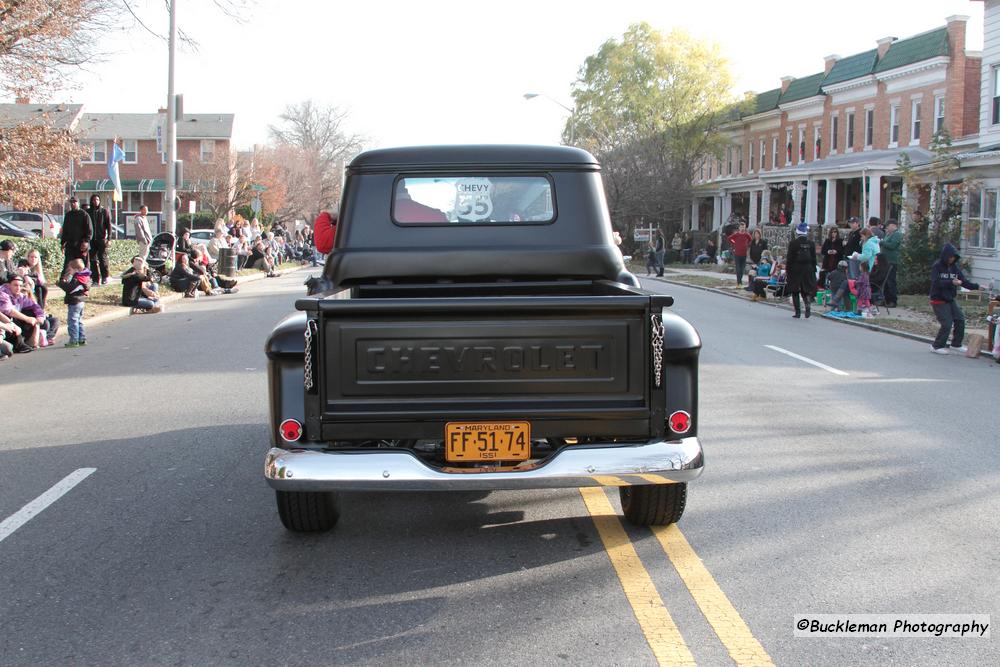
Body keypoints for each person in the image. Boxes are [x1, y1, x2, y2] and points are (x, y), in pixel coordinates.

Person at [929, 243, 981, 354]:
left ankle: (956, 344)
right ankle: (936, 346)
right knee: (947, 323)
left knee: (960, 319)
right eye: (950, 257)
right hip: (938, 299)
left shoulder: (954, 268)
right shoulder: (937, 266)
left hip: (950, 298)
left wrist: (977, 286)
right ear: (945, 256)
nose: (952, 259)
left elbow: (963, 281)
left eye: (954, 258)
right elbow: (936, 282)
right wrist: (950, 282)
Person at [0, 275, 45, 349]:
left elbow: (35, 306)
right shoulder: (2, 292)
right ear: (8, 285)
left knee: (35, 316)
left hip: (12, 322)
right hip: (4, 322)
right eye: (15, 285)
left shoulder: (20, 295)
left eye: (20, 286)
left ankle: (26, 341)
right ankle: (18, 344)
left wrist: (39, 317)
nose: (18, 288)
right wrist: (27, 318)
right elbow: (8, 310)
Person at [786, 222, 817, 318]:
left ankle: (798, 312)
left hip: (796, 269)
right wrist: (813, 270)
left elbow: (790, 258)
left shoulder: (793, 243)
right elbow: (814, 258)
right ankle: (807, 305)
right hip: (808, 269)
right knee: (806, 290)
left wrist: (788, 270)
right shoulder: (811, 244)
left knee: (795, 290)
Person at [58, 258, 91, 347]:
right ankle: (81, 338)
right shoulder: (85, 277)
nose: (70, 271)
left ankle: (74, 340)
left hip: (75, 301)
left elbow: (70, 289)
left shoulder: (77, 279)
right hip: (81, 300)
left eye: (70, 269)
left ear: (76, 269)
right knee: (79, 320)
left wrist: (61, 283)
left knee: (72, 321)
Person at [60, 197, 92, 272]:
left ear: (78, 203)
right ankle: (64, 280)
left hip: (82, 245)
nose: (73, 204)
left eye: (75, 202)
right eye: (71, 202)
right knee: (68, 263)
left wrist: (86, 242)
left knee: (83, 264)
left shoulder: (84, 214)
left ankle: (85, 279)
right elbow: (65, 230)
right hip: (70, 244)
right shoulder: (68, 215)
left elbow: (89, 230)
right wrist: (63, 242)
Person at [86, 194, 112, 284]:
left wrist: (109, 238)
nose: (95, 201)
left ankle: (105, 276)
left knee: (103, 258)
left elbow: (108, 225)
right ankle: (95, 279)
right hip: (91, 240)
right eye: (94, 200)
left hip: (101, 239)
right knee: (92, 260)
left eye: (97, 199)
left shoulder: (104, 212)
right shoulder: (88, 212)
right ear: (91, 201)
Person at [880, 219, 903, 307]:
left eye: (888, 226)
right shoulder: (888, 234)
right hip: (885, 261)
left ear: (893, 225)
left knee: (891, 281)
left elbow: (892, 245)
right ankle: (886, 299)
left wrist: (881, 242)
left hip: (892, 261)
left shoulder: (897, 234)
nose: (887, 228)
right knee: (885, 282)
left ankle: (893, 300)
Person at [727, 222, 752, 287]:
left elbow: (750, 240)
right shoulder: (736, 234)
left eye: (743, 227)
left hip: (744, 254)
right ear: (739, 228)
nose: (742, 228)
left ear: (745, 227)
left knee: (742, 269)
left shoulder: (747, 235)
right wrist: (734, 243)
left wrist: (747, 245)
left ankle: (739, 281)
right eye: (741, 227)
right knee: (738, 269)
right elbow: (729, 238)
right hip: (737, 254)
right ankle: (739, 283)